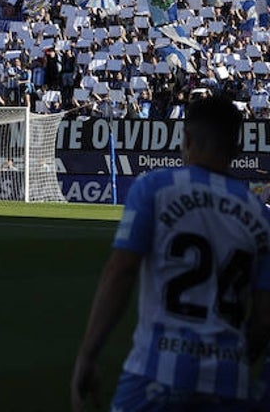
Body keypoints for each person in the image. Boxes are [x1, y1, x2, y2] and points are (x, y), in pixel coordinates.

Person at [72, 94, 270, 412]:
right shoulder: (261, 215)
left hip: (154, 375)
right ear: (238, 147)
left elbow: (120, 272)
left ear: (186, 138)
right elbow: (262, 319)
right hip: (229, 383)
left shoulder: (154, 188)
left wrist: (88, 354)